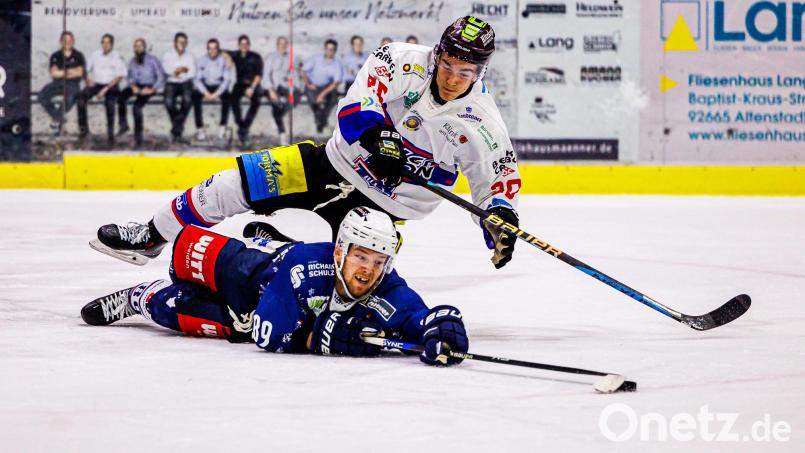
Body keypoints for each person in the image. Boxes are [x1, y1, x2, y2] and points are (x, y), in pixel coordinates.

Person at [92, 16, 521, 272]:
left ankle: (276, 247)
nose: (452, 78)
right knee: (228, 185)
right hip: (331, 163)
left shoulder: (483, 122)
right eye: (447, 65)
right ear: (438, 54)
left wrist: (499, 220)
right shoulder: (399, 58)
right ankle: (152, 235)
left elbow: (498, 183)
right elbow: (355, 108)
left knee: (325, 279)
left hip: (386, 208)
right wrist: (381, 139)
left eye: (465, 73)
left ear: (480, 72)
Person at [82, 208, 468, 366]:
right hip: (257, 275)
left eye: (378, 261)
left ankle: (138, 297)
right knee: (183, 254)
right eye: (361, 256)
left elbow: (262, 334)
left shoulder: (387, 288)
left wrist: (439, 328)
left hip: (247, 315)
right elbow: (277, 326)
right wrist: (322, 339)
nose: (368, 270)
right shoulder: (305, 267)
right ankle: (273, 245)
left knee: (177, 307)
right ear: (339, 251)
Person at [77, 33, 126, 145]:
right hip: (97, 84)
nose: (105, 45)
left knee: (110, 105)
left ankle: (110, 135)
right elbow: (85, 70)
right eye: (103, 42)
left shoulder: (117, 56)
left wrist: (105, 90)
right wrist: (87, 80)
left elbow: (119, 77)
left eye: (108, 42)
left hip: (111, 85)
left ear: (112, 44)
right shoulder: (95, 55)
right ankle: (84, 131)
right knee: (80, 98)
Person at [117, 38, 165, 148]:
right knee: (121, 97)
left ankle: (138, 139)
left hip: (150, 86)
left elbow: (161, 77)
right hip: (137, 86)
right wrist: (133, 86)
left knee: (136, 107)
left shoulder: (153, 60)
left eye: (140, 46)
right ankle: (123, 125)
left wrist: (152, 89)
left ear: (144, 47)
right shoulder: (132, 61)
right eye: (136, 46)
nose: (138, 48)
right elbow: (129, 77)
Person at [38, 31, 85, 136]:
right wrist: (71, 71)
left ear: (73, 41)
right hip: (57, 83)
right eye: (65, 40)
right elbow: (54, 73)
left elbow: (80, 73)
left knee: (70, 98)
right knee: (41, 95)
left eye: (69, 40)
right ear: (60, 41)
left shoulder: (78, 55)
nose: (67, 42)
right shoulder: (55, 55)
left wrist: (62, 72)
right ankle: (58, 118)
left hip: (73, 84)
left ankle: (56, 120)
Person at [301, 38, 343, 134]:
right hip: (313, 85)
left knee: (333, 97)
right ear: (325, 49)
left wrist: (322, 94)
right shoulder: (315, 59)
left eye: (332, 49)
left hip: (326, 87)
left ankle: (320, 120)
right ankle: (321, 120)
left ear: (335, 51)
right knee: (312, 98)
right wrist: (308, 84)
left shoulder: (337, 64)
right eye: (328, 49)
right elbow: (303, 71)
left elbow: (335, 83)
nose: (329, 51)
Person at [193, 38, 232, 141]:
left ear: (218, 49)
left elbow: (226, 80)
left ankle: (222, 127)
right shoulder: (201, 60)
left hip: (218, 85)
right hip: (206, 85)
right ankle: (200, 128)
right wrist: (205, 93)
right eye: (210, 48)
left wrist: (216, 94)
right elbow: (197, 80)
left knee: (227, 97)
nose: (212, 51)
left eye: (214, 48)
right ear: (207, 49)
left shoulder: (223, 60)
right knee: (195, 96)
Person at [227, 35, 263, 148]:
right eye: (242, 44)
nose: (244, 46)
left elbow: (259, 75)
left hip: (253, 84)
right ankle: (241, 125)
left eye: (246, 44)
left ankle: (244, 127)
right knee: (233, 99)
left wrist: (252, 88)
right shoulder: (235, 55)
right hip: (240, 84)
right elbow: (221, 51)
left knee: (256, 101)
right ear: (238, 45)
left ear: (249, 45)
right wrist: (228, 59)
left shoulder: (256, 57)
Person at [262, 36, 299, 145]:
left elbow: (294, 74)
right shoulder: (271, 58)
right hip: (272, 87)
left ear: (287, 45)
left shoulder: (290, 58)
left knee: (294, 98)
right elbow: (266, 75)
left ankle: (276, 118)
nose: (282, 46)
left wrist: (294, 89)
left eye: (284, 44)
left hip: (285, 87)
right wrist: (271, 90)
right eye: (280, 44)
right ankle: (282, 133)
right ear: (277, 45)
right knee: (277, 104)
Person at [162, 32, 196, 143]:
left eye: (184, 42)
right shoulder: (167, 55)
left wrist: (178, 72)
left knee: (188, 100)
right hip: (171, 82)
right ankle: (178, 127)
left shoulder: (190, 56)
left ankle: (176, 129)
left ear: (186, 43)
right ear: (175, 43)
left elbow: (192, 72)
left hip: (186, 83)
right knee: (168, 102)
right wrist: (181, 70)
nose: (182, 44)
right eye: (179, 42)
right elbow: (166, 69)